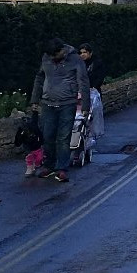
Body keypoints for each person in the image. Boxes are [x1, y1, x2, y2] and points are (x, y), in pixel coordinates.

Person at [30, 39, 89, 183]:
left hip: (67, 103)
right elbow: (39, 77)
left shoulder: (75, 59)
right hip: (48, 103)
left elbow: (83, 81)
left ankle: (62, 168)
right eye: (50, 56)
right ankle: (49, 165)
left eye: (55, 55)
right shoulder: (46, 57)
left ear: (62, 50)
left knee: (63, 137)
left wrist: (86, 106)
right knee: (48, 136)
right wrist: (34, 100)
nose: (52, 58)